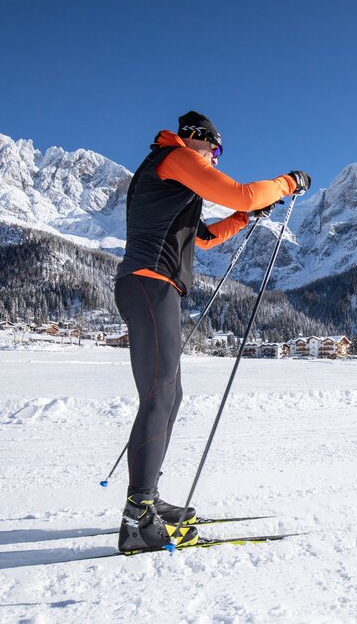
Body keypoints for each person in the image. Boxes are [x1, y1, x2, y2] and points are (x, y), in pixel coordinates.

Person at [113, 111, 310, 553]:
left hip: (155, 287)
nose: (216, 161)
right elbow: (238, 190)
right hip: (149, 283)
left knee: (170, 395)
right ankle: (136, 519)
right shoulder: (175, 157)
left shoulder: (174, 175)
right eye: (215, 151)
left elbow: (201, 237)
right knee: (160, 395)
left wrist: (244, 217)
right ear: (197, 139)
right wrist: (289, 182)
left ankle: (147, 499)